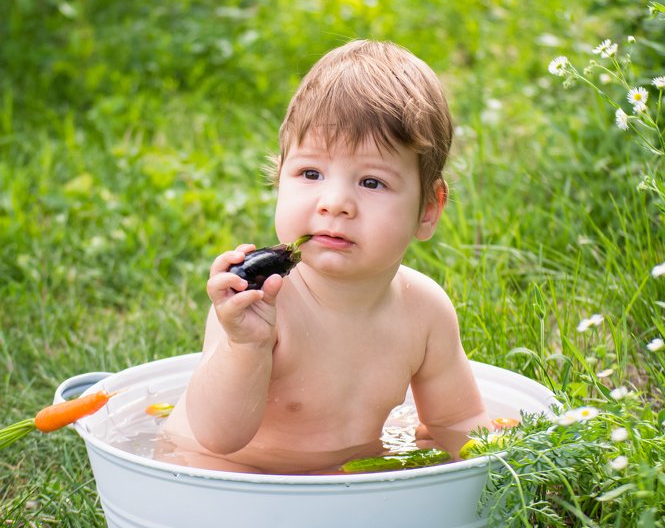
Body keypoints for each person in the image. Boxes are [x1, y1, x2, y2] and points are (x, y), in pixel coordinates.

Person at [163, 40, 489, 473]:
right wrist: (247, 346)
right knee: (215, 477)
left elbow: (457, 421)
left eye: (371, 182)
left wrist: (502, 469)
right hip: (228, 474)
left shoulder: (425, 312)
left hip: (337, 481)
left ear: (428, 209)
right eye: (311, 173)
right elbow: (218, 438)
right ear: (280, 178)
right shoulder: (258, 304)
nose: (335, 203)